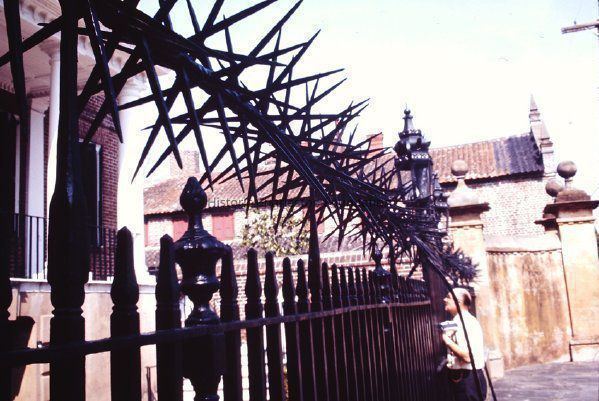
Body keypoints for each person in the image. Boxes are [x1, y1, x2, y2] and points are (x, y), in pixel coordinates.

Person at [442, 288, 487, 401]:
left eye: (448, 297)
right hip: (467, 379)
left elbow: (467, 357)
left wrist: (446, 340)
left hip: (468, 380)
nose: (444, 299)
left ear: (459, 302)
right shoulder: (461, 321)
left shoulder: (466, 322)